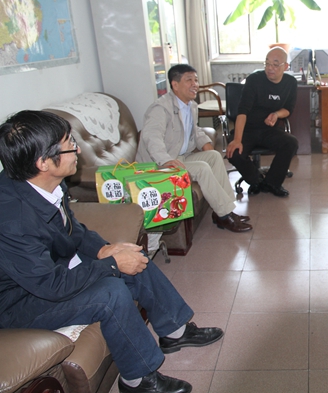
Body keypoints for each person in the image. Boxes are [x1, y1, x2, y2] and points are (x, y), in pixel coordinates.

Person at [0, 110, 224, 393]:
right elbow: (50, 285)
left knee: (133, 255)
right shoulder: (12, 219)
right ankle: (137, 380)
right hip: (19, 302)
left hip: (50, 270)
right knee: (111, 291)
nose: (78, 150)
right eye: (70, 145)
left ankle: (175, 330)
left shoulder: (43, 182)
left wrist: (106, 249)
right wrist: (113, 264)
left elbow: (73, 229)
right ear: (43, 162)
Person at [137, 64, 252, 233]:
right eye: (189, 80)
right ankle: (224, 215)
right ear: (175, 85)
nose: (195, 84)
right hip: (158, 164)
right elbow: (151, 137)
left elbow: (195, 130)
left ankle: (225, 210)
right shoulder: (160, 109)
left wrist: (206, 144)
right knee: (202, 168)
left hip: (180, 156)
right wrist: (166, 160)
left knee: (214, 156)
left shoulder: (190, 105)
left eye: (196, 80)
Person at [225, 47, 299, 197]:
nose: (270, 68)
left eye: (275, 64)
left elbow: (288, 109)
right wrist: (237, 139)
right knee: (234, 153)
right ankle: (256, 181)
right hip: (247, 129)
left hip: (269, 130)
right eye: (267, 63)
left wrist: (276, 114)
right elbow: (242, 111)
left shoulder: (290, 83)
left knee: (291, 143)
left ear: (285, 66)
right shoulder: (254, 80)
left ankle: (272, 183)